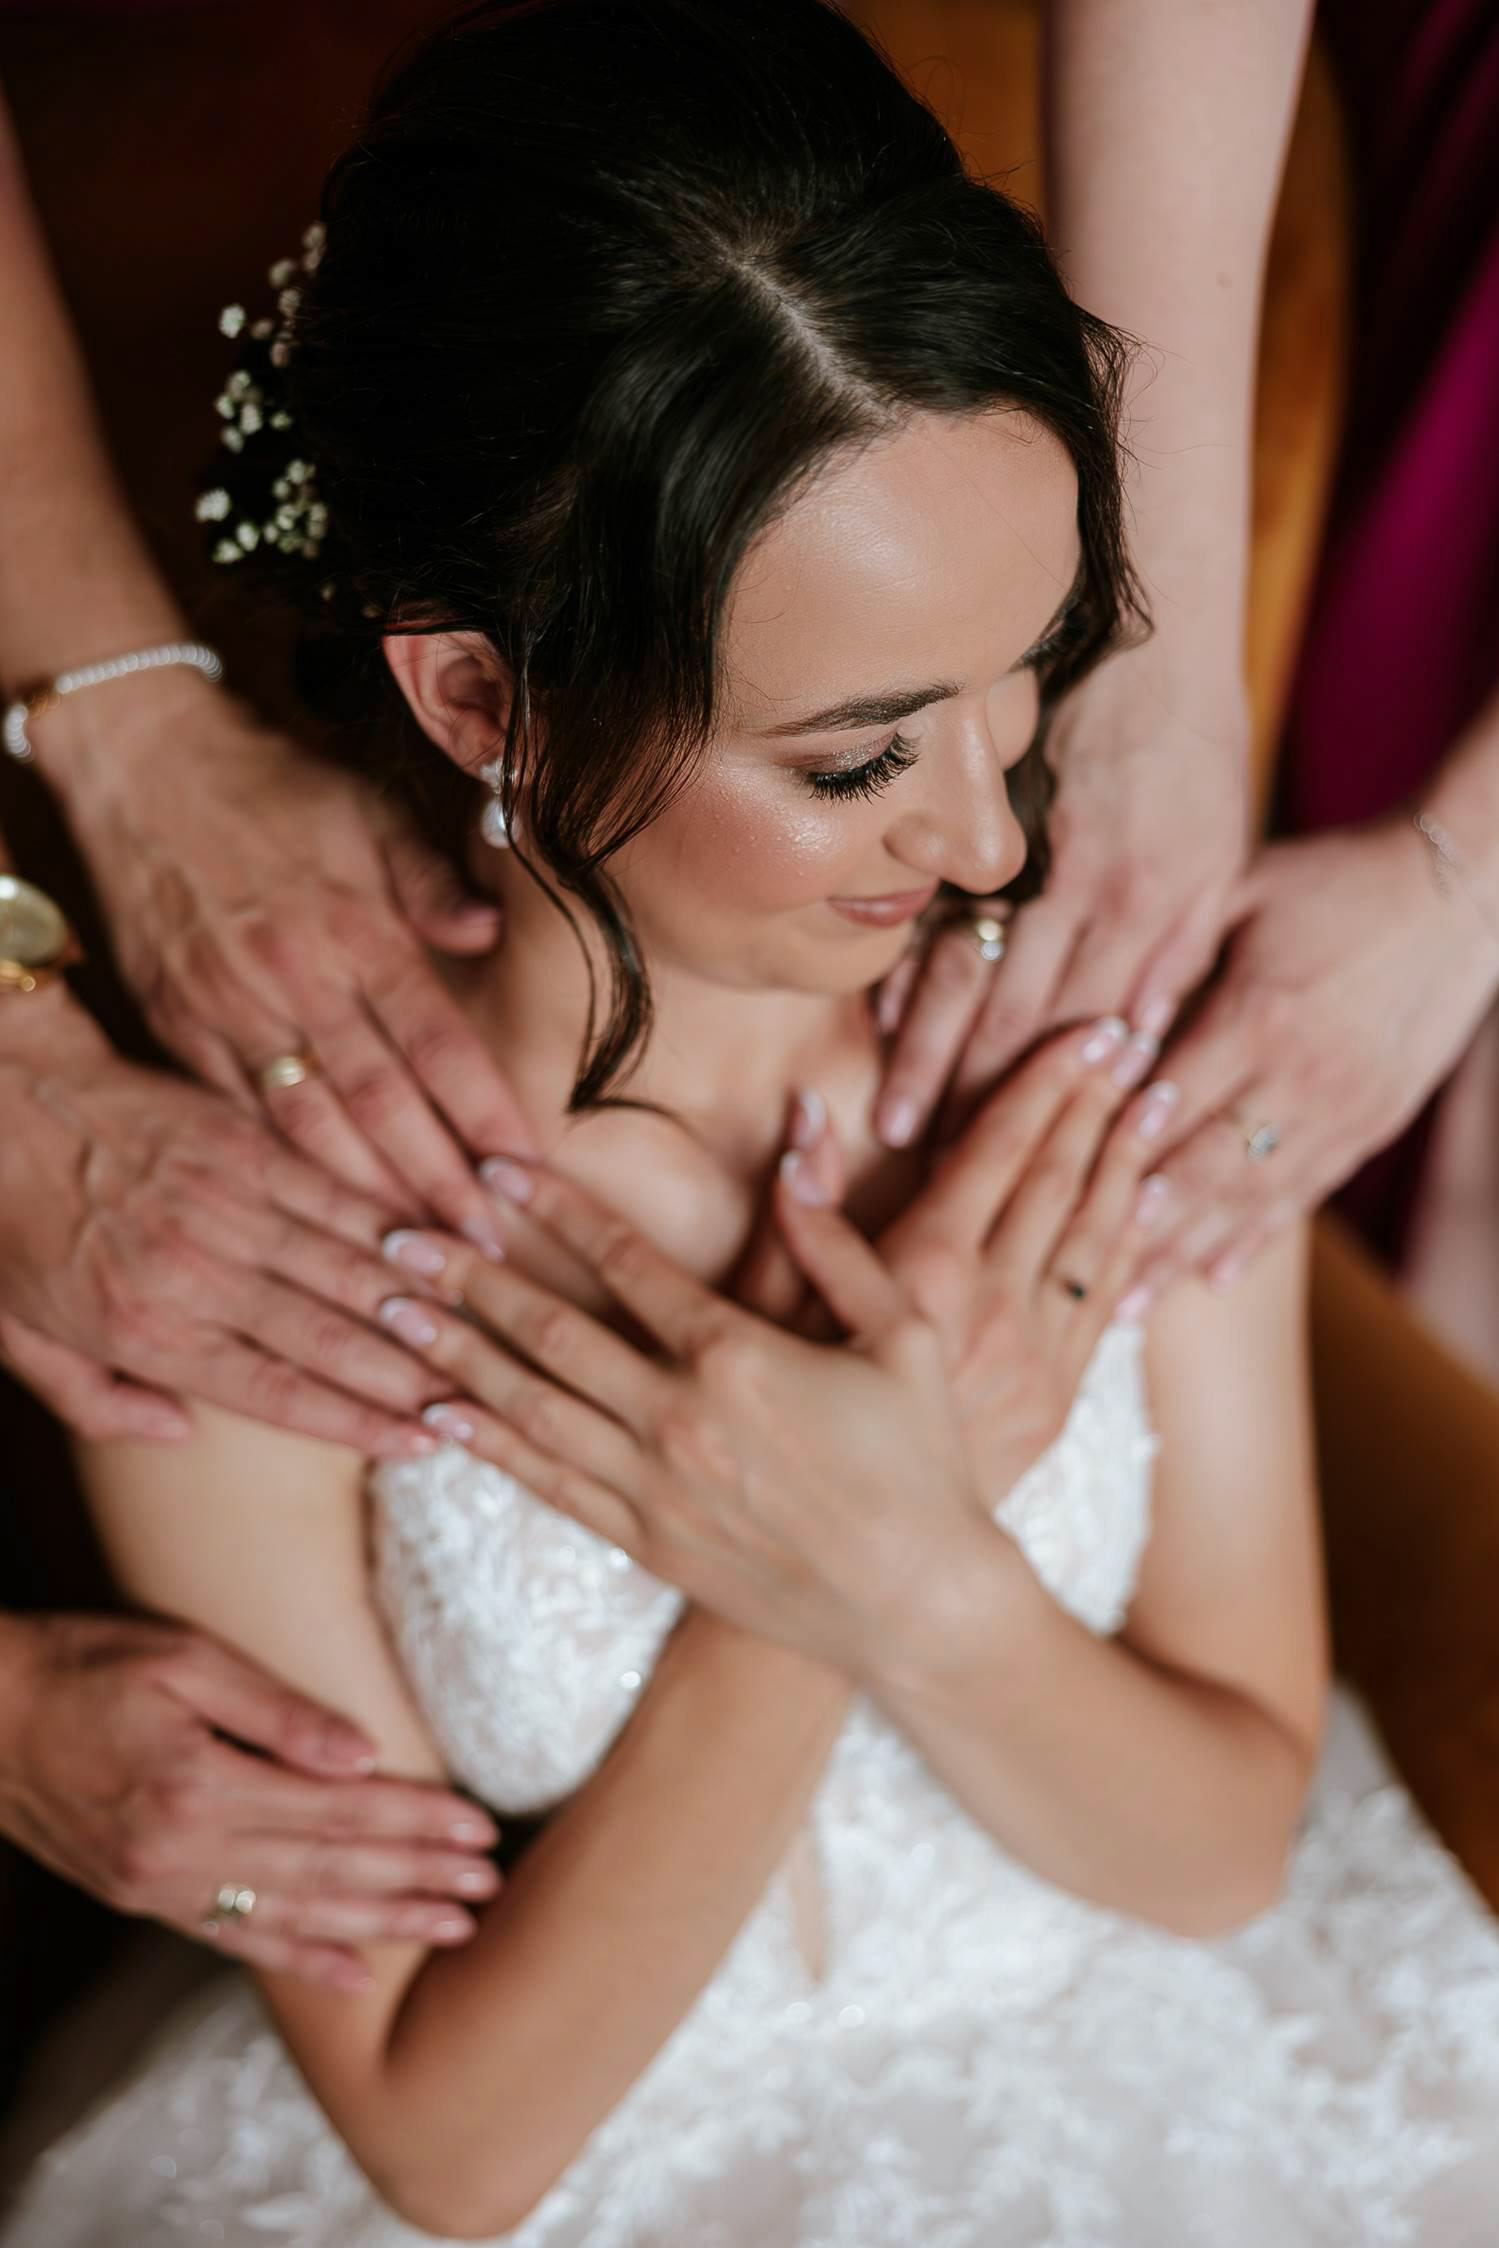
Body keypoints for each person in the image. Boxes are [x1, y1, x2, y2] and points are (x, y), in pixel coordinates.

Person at [8, 6, 1499, 2241]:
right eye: (855, 756)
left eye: (1037, 672)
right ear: (486, 694)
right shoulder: (247, 1230)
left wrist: (913, 1575)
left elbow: (1220, 1854)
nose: (995, 841)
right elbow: (452, 2141)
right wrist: (821, 1568)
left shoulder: (1105, 1044)